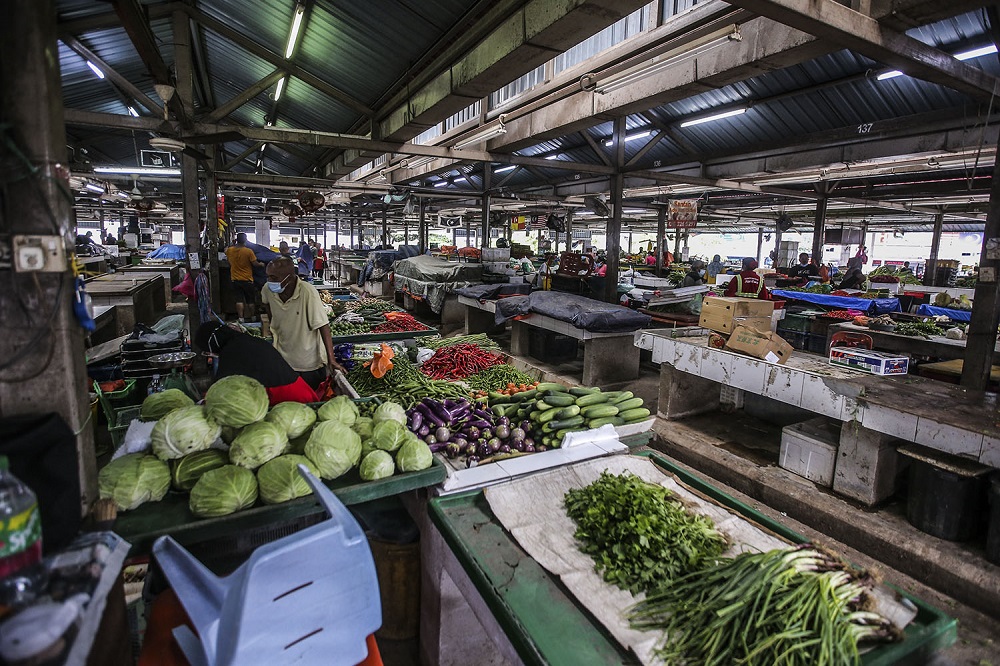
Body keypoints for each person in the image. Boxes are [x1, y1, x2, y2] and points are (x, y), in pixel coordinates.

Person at [260, 257, 343, 390]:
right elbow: (267, 306)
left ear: (290, 277)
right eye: (268, 276)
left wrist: (331, 359)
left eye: (274, 277)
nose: (270, 281)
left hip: (308, 363)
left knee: (310, 401)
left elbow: (323, 326)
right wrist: (274, 325)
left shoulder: (308, 292)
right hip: (283, 358)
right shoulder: (268, 289)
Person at [194, 322, 317, 405]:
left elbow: (222, 389)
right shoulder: (245, 340)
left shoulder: (231, 352)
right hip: (299, 389)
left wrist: (205, 402)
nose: (209, 354)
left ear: (212, 343)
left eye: (207, 351)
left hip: (288, 397)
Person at [225, 232, 263, 323]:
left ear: (236, 240)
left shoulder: (230, 250)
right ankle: (253, 317)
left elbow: (225, 250)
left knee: (239, 300)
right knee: (250, 300)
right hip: (247, 280)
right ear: (245, 240)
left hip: (235, 279)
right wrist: (261, 264)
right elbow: (255, 264)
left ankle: (241, 318)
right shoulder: (248, 251)